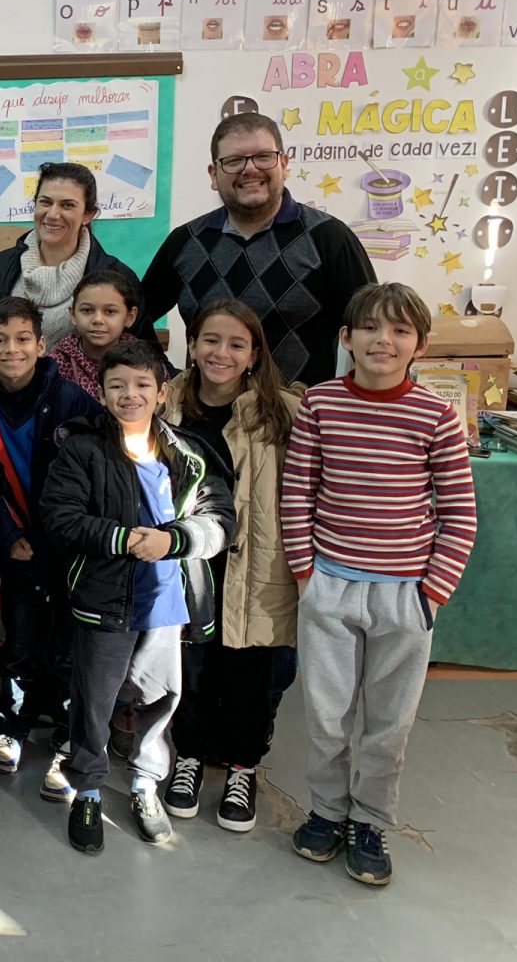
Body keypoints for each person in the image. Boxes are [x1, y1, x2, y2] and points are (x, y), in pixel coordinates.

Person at [281, 283, 477, 886]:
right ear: (346, 337)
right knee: (327, 717)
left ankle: (369, 821)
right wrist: (307, 576)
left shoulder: (437, 415)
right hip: (329, 589)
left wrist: (432, 592)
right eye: (368, 327)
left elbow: (459, 512)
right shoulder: (321, 404)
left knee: (390, 724)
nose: (382, 340)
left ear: (420, 344)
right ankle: (327, 811)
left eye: (399, 330)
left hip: (405, 594)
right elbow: (298, 493)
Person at [40, 341, 234, 855]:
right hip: (102, 602)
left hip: (167, 605)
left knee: (160, 699)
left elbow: (219, 520)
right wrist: (123, 539)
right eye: (117, 385)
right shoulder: (82, 449)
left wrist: (174, 541)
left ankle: (146, 783)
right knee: (94, 701)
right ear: (101, 393)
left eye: (142, 384)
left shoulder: (189, 454)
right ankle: (87, 788)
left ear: (162, 392)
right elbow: (61, 517)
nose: (130, 395)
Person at [159, 300, 302, 835]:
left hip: (257, 563)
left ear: (254, 355)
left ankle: (243, 767)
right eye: (210, 341)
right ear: (192, 346)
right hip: (188, 562)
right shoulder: (165, 404)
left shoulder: (281, 413)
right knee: (190, 663)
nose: (222, 353)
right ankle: (190, 755)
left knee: (250, 672)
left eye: (237, 344)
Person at [140, 112, 376, 386]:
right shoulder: (185, 243)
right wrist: (166, 377)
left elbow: (375, 331)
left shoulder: (329, 238)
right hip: (202, 413)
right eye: (234, 161)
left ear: (284, 165)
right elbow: (132, 319)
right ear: (214, 175)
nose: (250, 169)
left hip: (300, 412)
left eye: (263, 157)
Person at [0, 296, 100, 780]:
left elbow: (93, 479)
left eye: (23, 339)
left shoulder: (71, 401)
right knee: (21, 641)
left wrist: (60, 539)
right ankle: (13, 724)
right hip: (15, 549)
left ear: (42, 345)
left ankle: (67, 729)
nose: (12, 349)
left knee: (68, 646)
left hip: (66, 549)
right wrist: (6, 537)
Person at [0, 162, 154, 349]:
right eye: (45, 202)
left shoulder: (118, 277)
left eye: (67, 205)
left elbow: (146, 354)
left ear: (88, 214)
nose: (52, 214)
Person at [50, 269, 143, 400]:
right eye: (87, 310)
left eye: (110, 311)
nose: (98, 320)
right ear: (73, 314)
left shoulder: (144, 361)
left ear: (130, 316)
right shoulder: (56, 365)